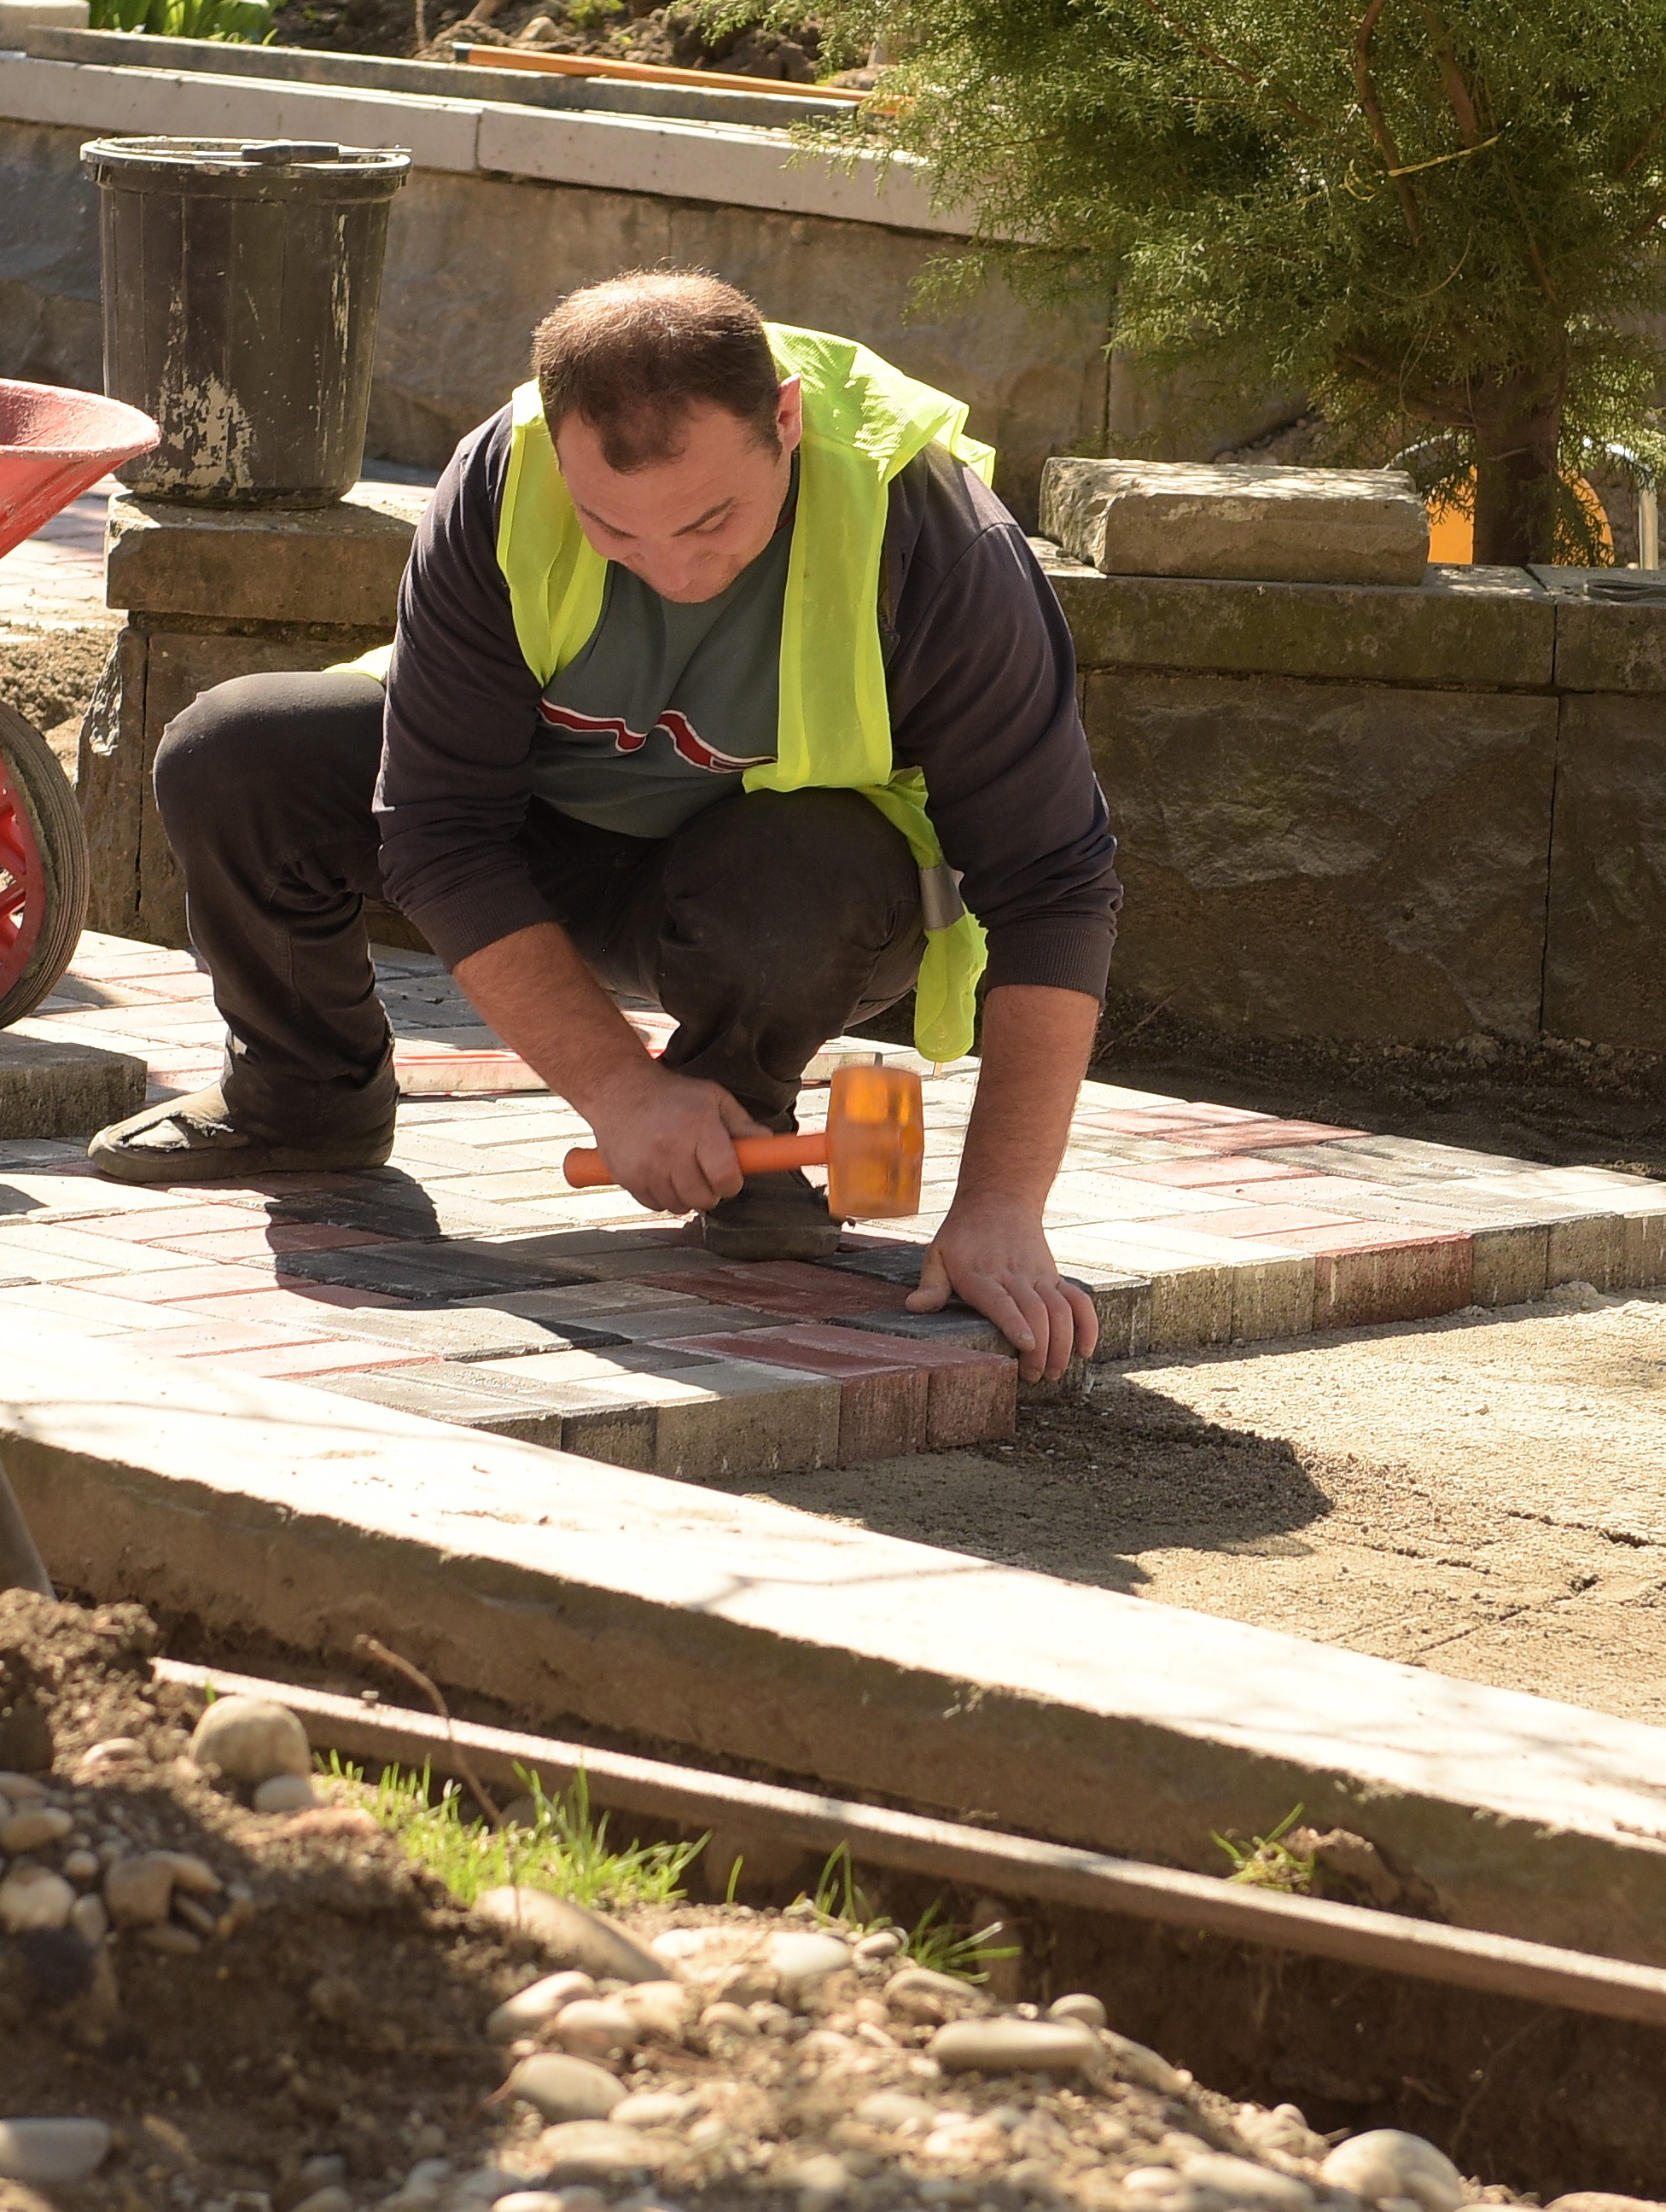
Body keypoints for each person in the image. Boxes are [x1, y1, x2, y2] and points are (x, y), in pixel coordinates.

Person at [87, 271, 1121, 1381]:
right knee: (237, 753)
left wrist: (1003, 1204)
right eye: (613, 528)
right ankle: (303, 1097)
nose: (674, 569)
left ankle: (739, 1116)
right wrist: (617, 1093)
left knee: (821, 867)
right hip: (528, 847)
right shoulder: (505, 474)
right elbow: (440, 832)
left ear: (785, 419)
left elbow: (1052, 882)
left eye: (712, 519)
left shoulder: (927, 529)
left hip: (763, 893)